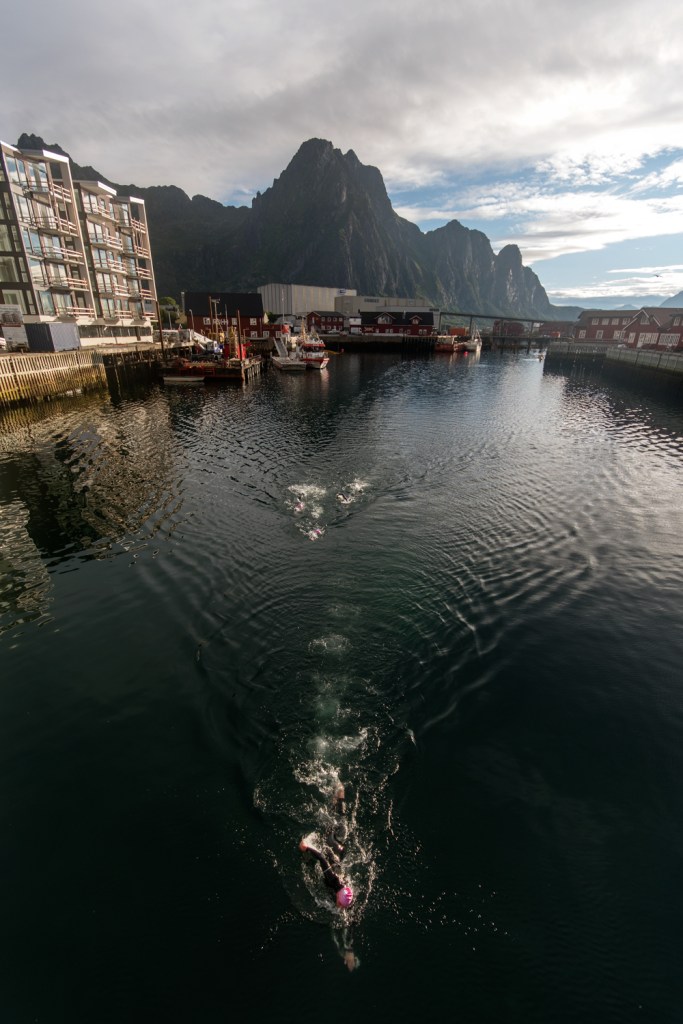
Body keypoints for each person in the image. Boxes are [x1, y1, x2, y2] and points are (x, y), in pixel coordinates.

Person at [299, 784, 354, 909]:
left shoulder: (345, 888)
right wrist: (306, 847)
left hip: (339, 853)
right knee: (331, 822)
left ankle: (340, 798)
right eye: (341, 906)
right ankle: (339, 797)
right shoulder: (332, 880)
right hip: (332, 848)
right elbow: (322, 858)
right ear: (339, 901)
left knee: (338, 824)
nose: (340, 908)